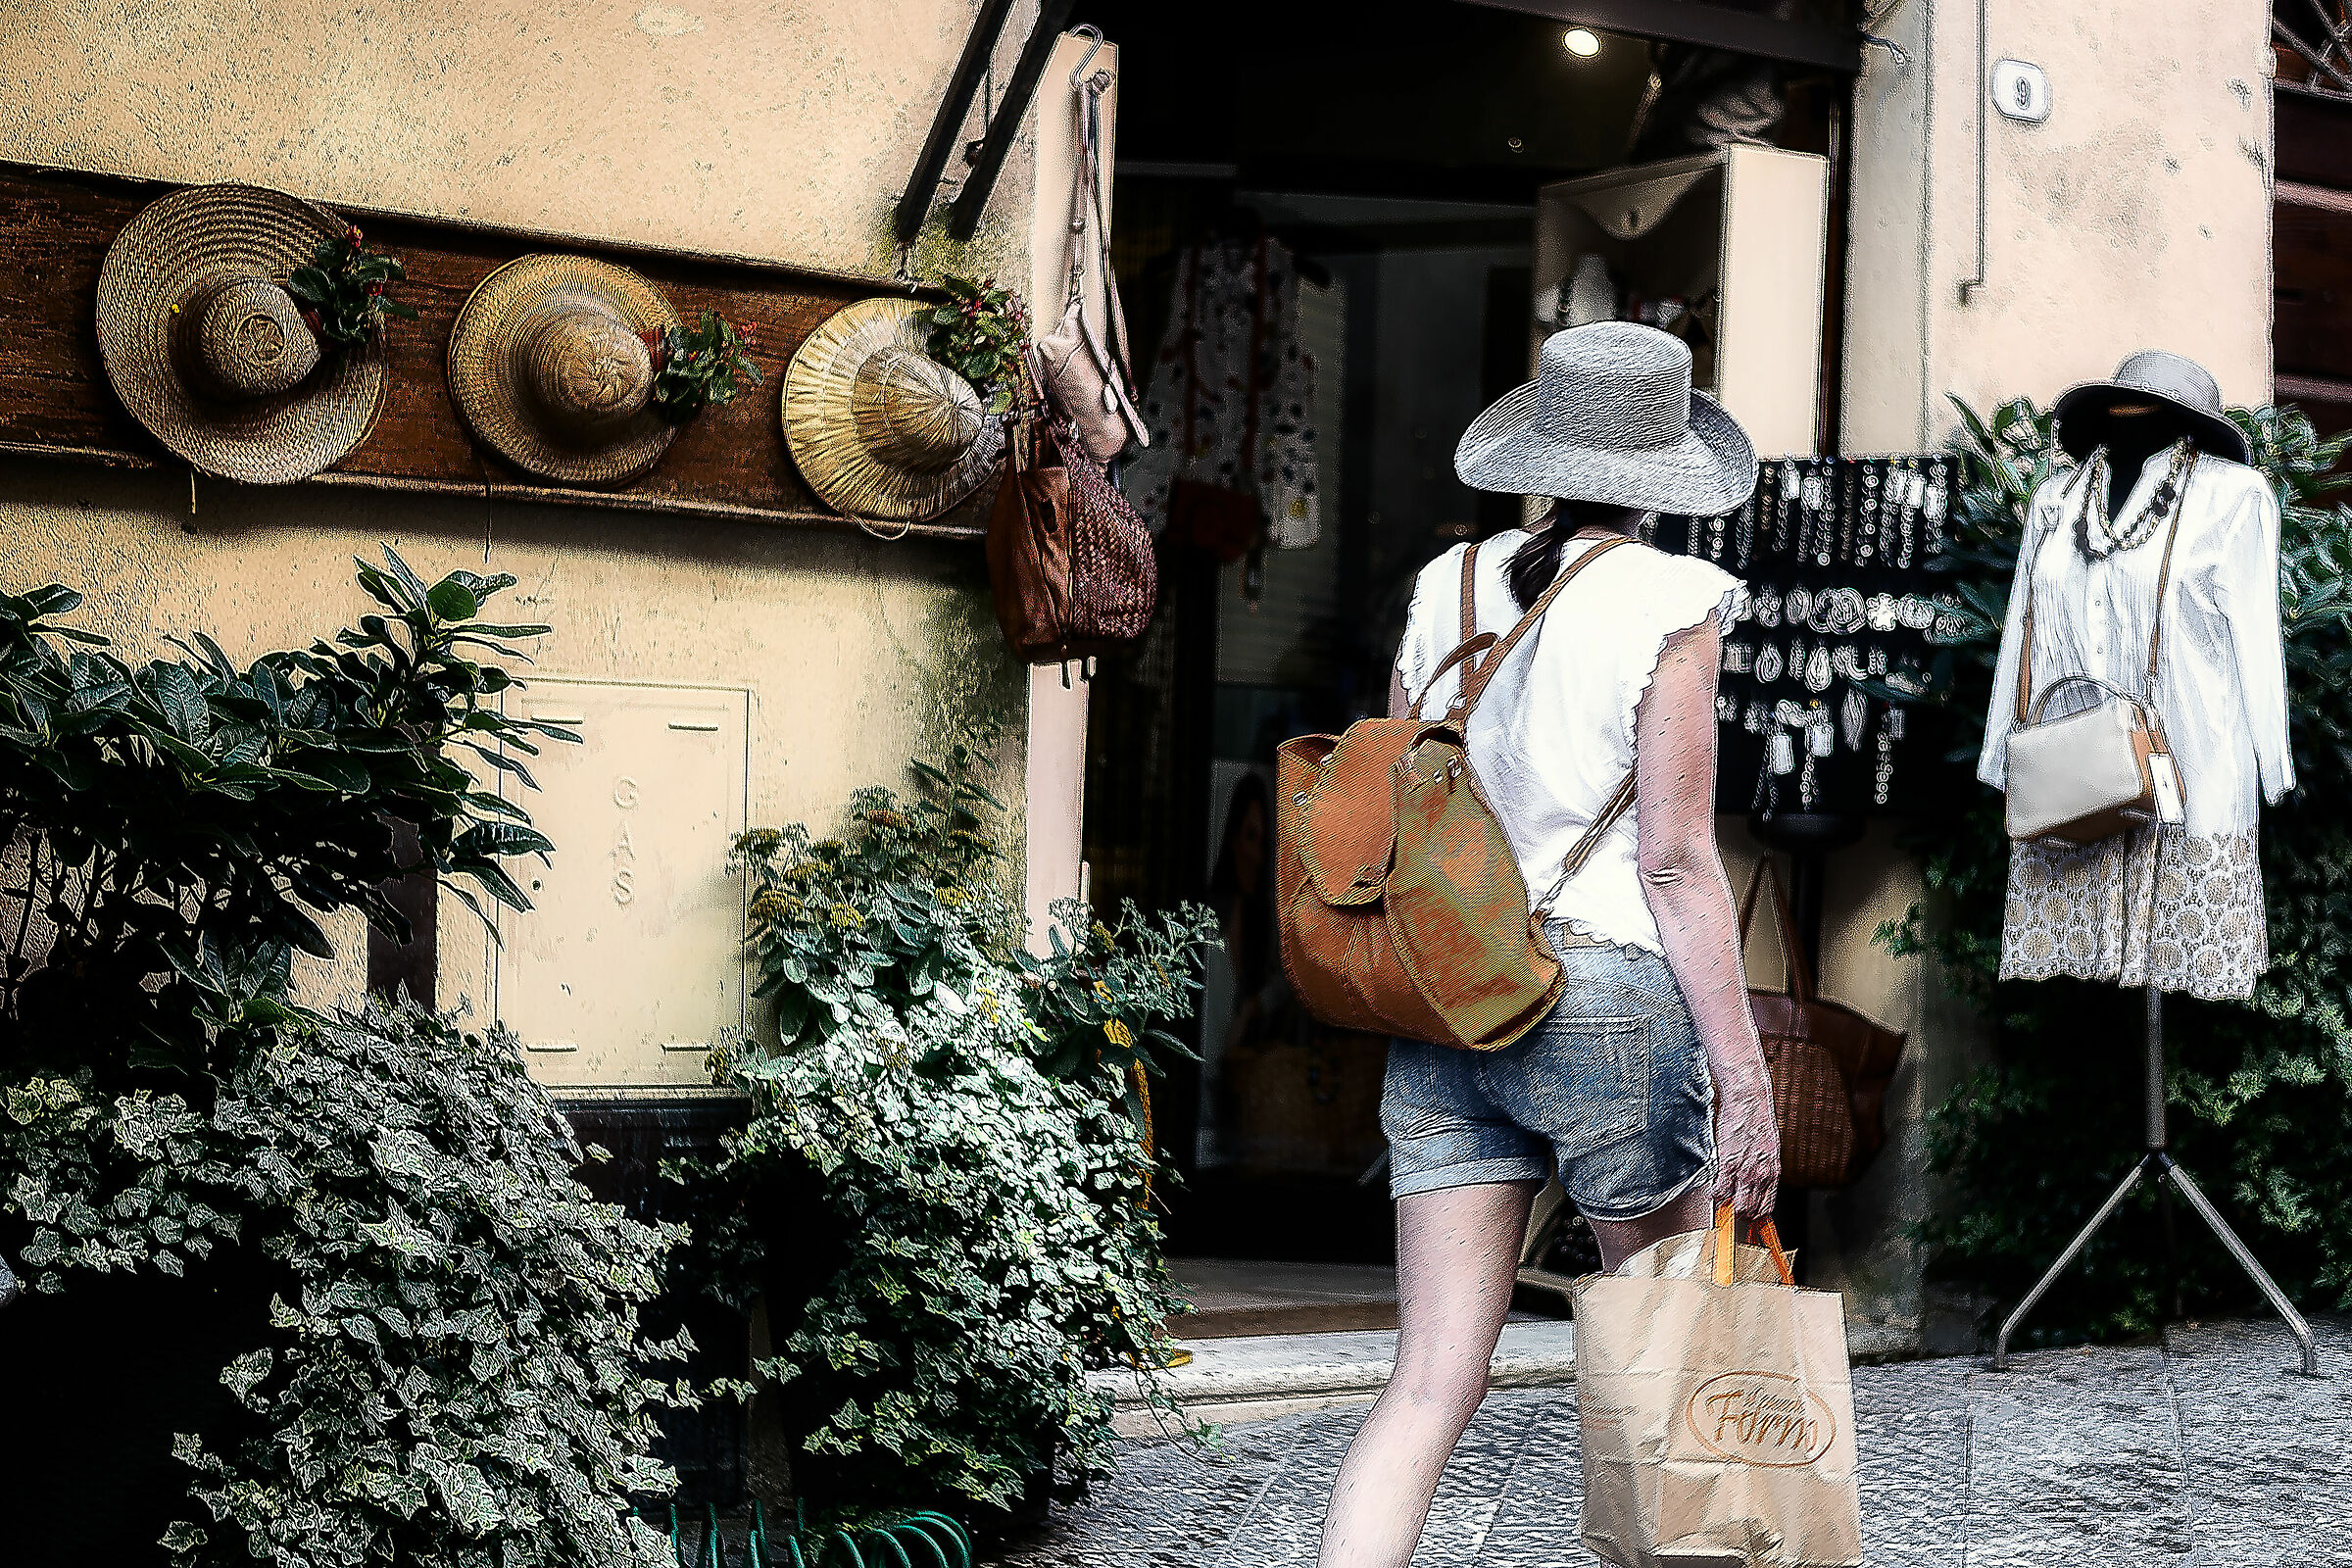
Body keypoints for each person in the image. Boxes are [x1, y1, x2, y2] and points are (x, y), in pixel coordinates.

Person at [1317, 320, 1782, 1568]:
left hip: (1448, 997)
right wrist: (1745, 1077)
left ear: (1545, 451)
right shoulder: (1676, 600)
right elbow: (1678, 862)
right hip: (1604, 999)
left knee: (1426, 1388)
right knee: (1678, 1362)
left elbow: (1404, 803)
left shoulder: (1446, 583)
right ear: (1664, 471)